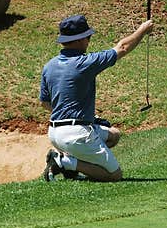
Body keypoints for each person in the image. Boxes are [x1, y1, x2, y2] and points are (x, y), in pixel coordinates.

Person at [39, 14, 154, 182]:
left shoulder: (49, 65)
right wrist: (143, 30)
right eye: (87, 37)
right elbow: (122, 48)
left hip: (55, 133)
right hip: (76, 134)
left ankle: (69, 165)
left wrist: (88, 118)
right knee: (114, 175)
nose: (89, 40)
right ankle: (65, 162)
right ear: (80, 39)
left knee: (113, 135)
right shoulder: (84, 63)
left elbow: (44, 103)